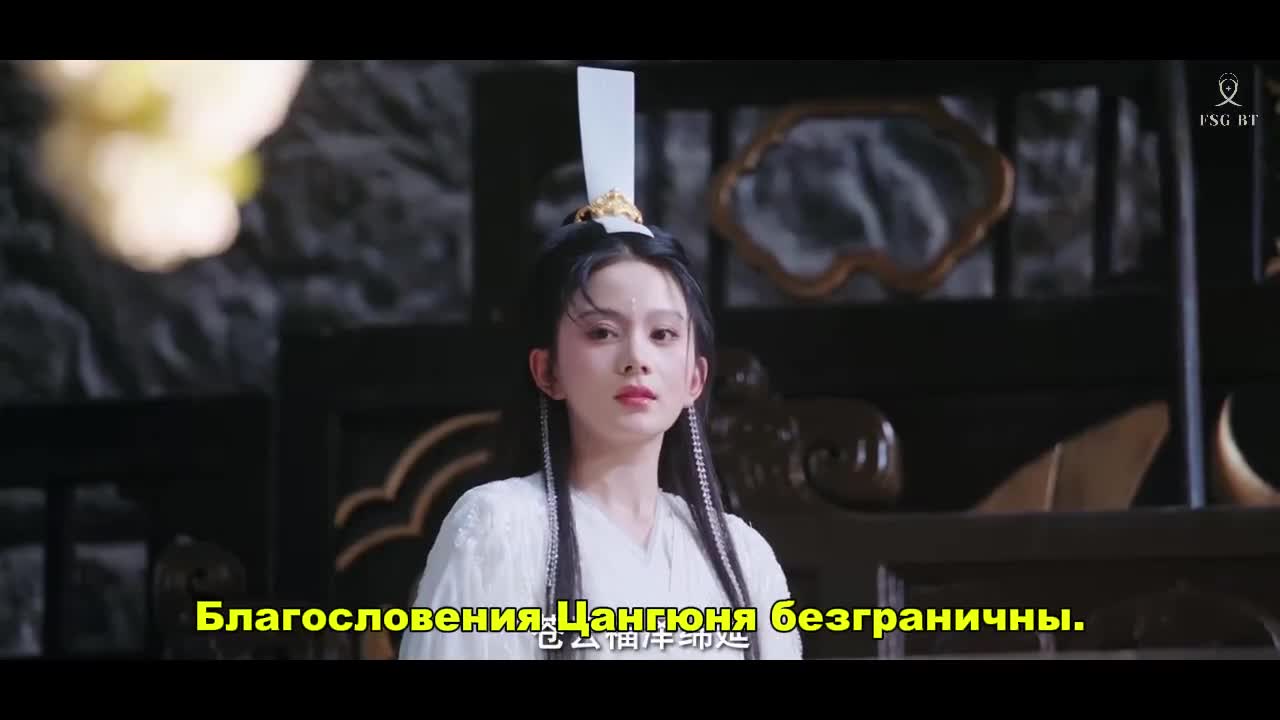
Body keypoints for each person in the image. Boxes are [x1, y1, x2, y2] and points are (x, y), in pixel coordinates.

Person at [398, 67, 802, 660]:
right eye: (602, 332)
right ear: (547, 371)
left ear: (695, 378)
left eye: (663, 334)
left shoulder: (744, 557)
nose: (636, 358)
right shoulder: (499, 527)